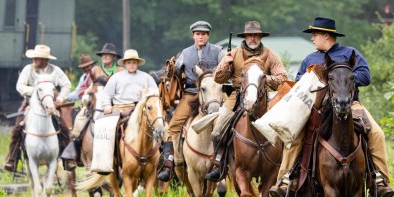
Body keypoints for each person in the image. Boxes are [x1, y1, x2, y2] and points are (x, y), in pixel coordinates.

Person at [269, 17, 394, 197]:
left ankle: (380, 181)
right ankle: (286, 181)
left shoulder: (350, 53)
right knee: (294, 137)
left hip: (350, 104)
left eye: (315, 34)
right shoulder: (310, 59)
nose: (312, 39)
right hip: (315, 108)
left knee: (377, 134)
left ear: (326, 36)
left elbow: (365, 76)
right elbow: (298, 82)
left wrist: (341, 78)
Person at [205, 21, 288, 181]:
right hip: (237, 94)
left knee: (284, 126)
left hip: (264, 95)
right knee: (218, 129)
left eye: (256, 35)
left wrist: (263, 79)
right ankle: (219, 163)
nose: (253, 38)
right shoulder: (234, 53)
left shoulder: (270, 54)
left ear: (260, 36)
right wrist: (224, 64)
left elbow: (282, 77)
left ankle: (285, 168)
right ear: (245, 36)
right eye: (250, 35)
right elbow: (217, 78)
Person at [157, 20, 225, 182]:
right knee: (173, 127)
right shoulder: (185, 54)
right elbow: (173, 74)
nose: (200, 36)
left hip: (214, 94)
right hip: (191, 94)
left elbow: (226, 68)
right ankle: (170, 162)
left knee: (227, 123)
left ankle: (223, 160)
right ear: (193, 35)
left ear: (208, 36)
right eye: (197, 34)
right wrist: (169, 70)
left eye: (203, 34)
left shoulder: (218, 51)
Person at [4, 44, 71, 172]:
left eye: (37, 58)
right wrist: (38, 91)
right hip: (30, 104)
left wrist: (61, 97)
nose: (34, 60)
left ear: (45, 59)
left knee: (63, 129)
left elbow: (66, 85)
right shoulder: (28, 69)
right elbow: (20, 86)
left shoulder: (55, 71)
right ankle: (12, 159)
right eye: (34, 57)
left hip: (51, 104)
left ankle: (68, 159)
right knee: (17, 128)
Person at [97, 49, 158, 119]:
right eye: (129, 63)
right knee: (109, 127)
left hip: (141, 110)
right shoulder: (116, 77)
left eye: (134, 62)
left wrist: (148, 92)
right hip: (119, 111)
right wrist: (107, 106)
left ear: (137, 63)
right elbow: (107, 94)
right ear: (125, 64)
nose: (131, 65)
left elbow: (156, 93)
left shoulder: (147, 77)